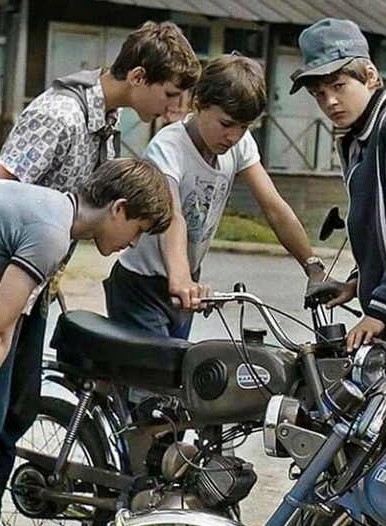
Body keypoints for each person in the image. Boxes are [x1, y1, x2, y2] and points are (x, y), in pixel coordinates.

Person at [0, 21, 199, 526]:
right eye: (169, 95)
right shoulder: (60, 114)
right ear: (140, 76)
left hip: (31, 285)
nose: (172, 108)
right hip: (0, 290)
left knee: (14, 415)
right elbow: (3, 190)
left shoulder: (107, 125)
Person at [0, 159, 173, 526]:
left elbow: (4, 326)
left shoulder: (56, 220)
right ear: (118, 208)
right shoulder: (50, 232)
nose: (133, 242)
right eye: (138, 229)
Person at [105, 54, 326, 337]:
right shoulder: (168, 149)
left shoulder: (239, 144)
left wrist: (311, 264)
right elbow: (172, 217)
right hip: (143, 285)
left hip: (185, 282)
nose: (234, 136)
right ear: (198, 104)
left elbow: (273, 206)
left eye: (244, 127)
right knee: (149, 378)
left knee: (180, 376)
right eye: (226, 124)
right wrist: (181, 278)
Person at [293, 18, 386, 350]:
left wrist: (380, 309)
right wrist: (356, 283)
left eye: (339, 86)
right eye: (319, 94)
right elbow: (378, 232)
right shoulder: (357, 137)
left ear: (370, 75)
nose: (329, 101)